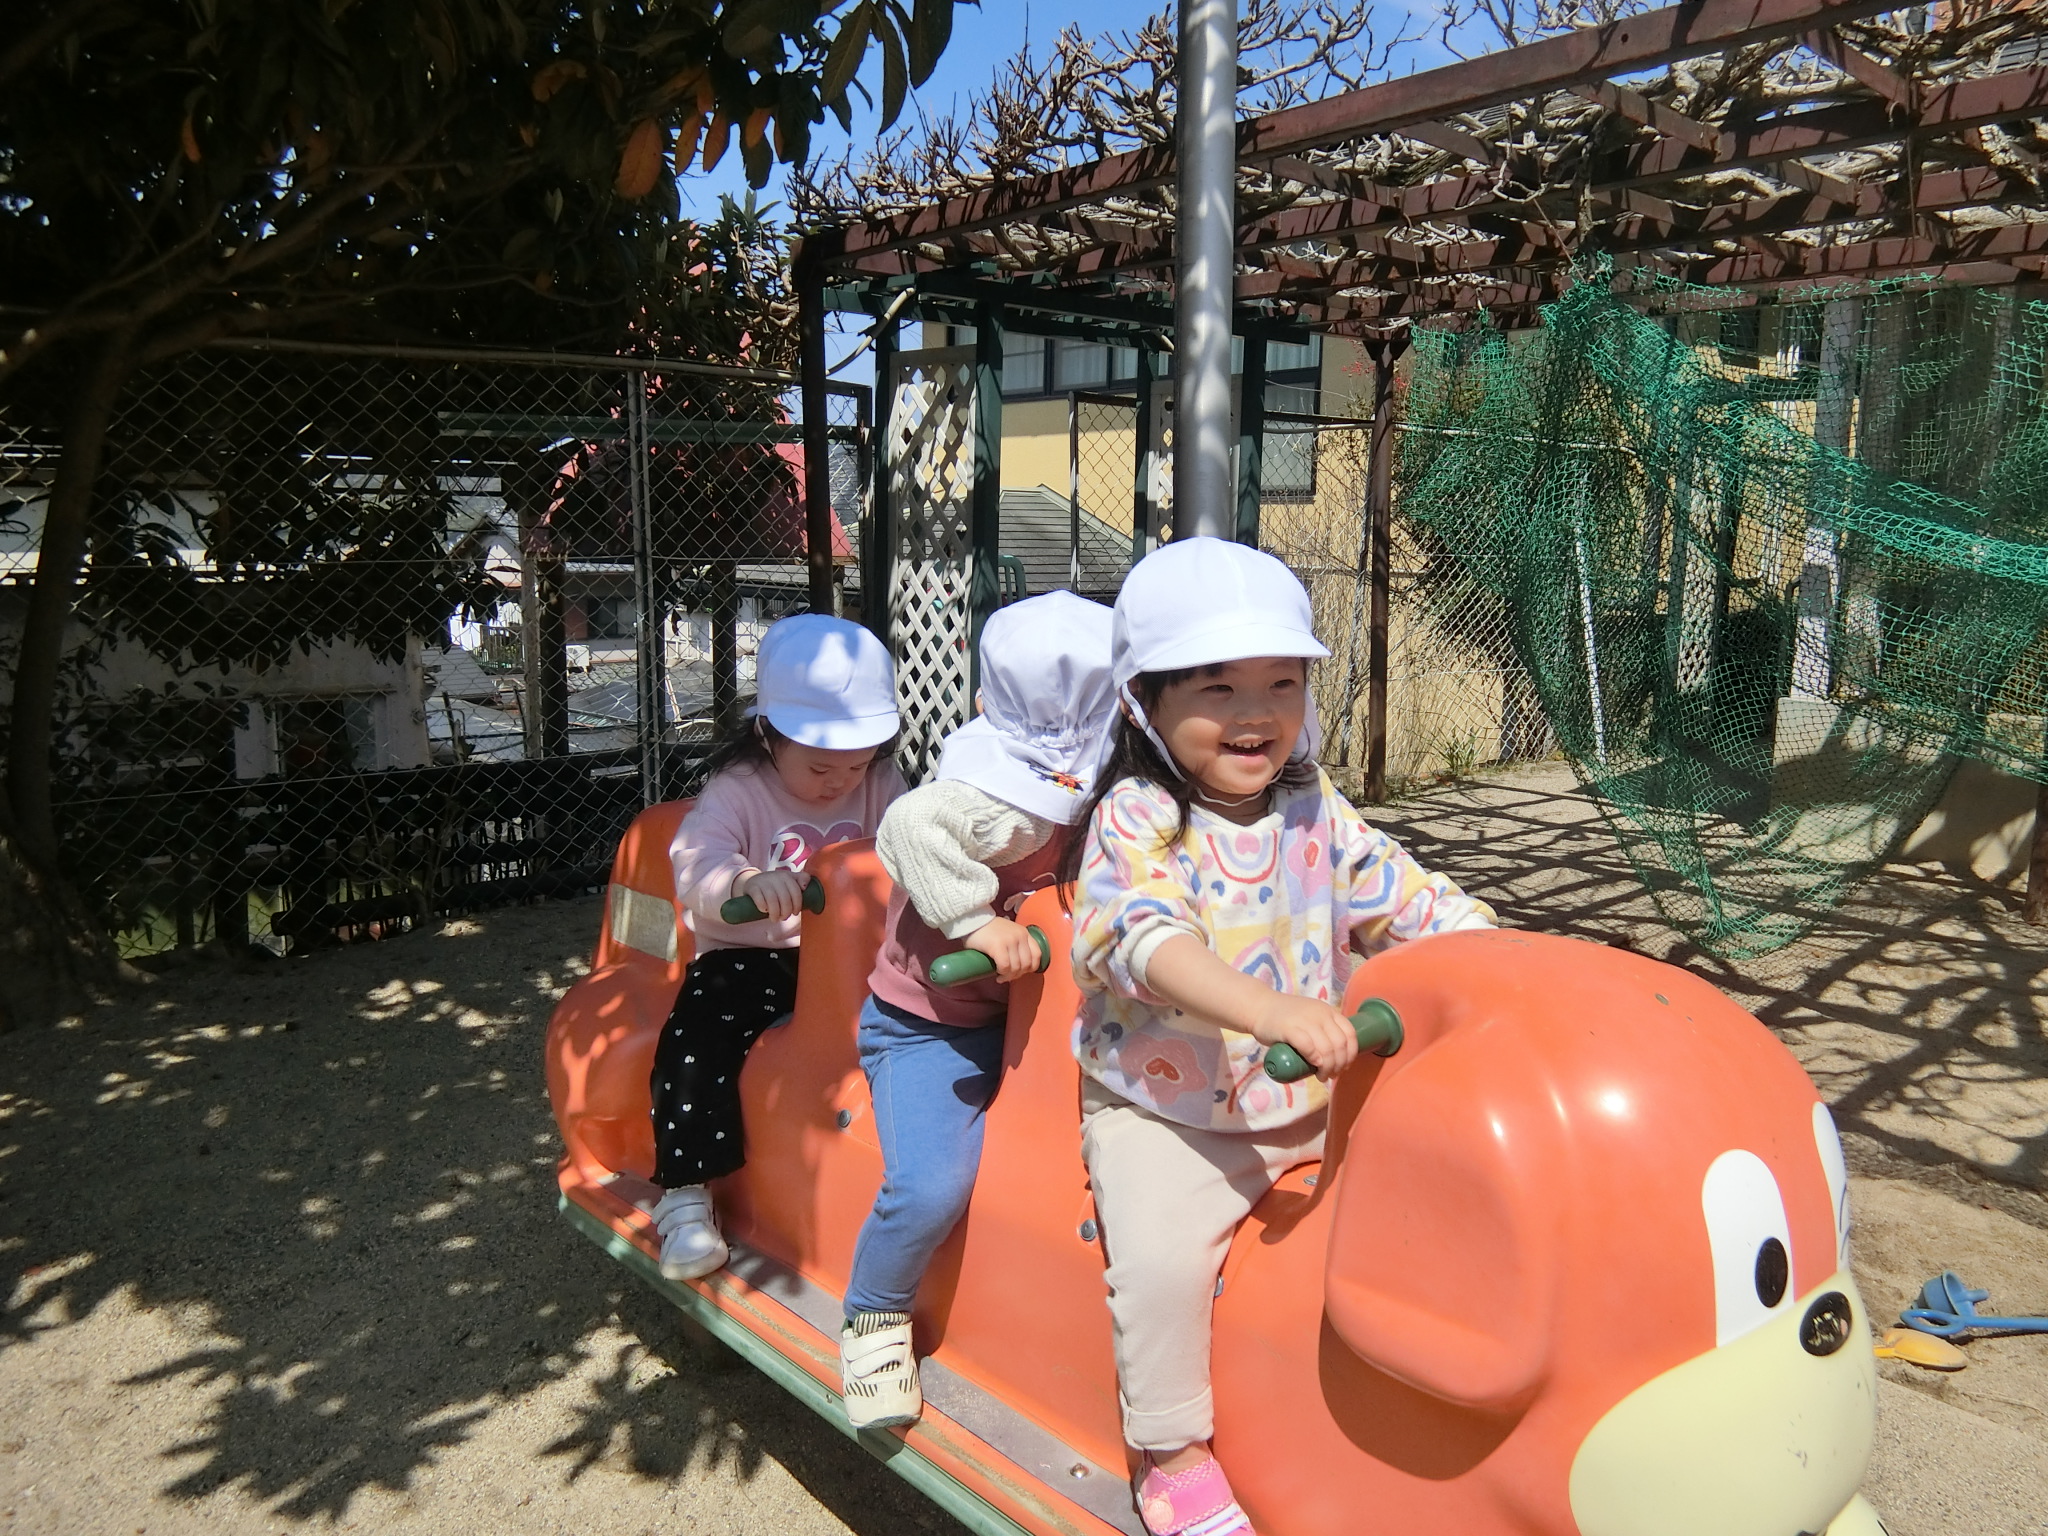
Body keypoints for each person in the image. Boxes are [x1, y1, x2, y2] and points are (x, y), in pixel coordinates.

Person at [1064, 539, 1496, 1536]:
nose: (1254, 712)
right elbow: (1139, 937)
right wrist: (1262, 1012)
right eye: (1216, 687)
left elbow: (1402, 898)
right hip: (1167, 1106)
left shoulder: (1311, 803)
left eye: (1279, 682)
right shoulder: (1139, 817)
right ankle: (1168, 1454)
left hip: (1303, 1092)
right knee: (1162, 1262)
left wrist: (1508, 959)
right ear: (1143, 702)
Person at [838, 591, 1118, 1430]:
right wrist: (975, 921)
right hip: (932, 1027)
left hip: (1040, 1022)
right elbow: (909, 827)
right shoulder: (995, 798)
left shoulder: (1109, 782)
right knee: (931, 1185)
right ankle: (874, 1314)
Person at [650, 614, 904, 1281]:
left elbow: (908, 837)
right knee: (699, 1036)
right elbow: (695, 860)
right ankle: (684, 1198)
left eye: (858, 763)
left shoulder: (877, 782)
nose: (841, 782)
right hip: (756, 953)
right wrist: (746, 880)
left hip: (855, 951)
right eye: (822, 766)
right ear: (768, 734)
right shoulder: (738, 790)